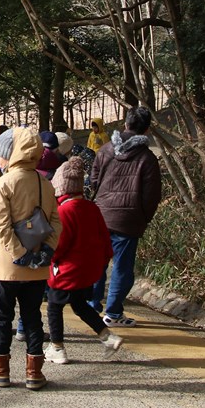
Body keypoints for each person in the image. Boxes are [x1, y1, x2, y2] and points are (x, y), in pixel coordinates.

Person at [0, 128, 61, 391]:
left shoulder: (4, 183)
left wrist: (19, 254)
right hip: (38, 266)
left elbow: (2, 227)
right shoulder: (45, 183)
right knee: (33, 317)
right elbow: (55, 221)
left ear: (11, 155)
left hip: (7, 268)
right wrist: (45, 250)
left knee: (2, 317)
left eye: (1, 155)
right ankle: (34, 373)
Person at [87, 107, 162, 327]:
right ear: (147, 130)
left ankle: (93, 304)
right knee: (122, 267)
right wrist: (143, 217)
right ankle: (113, 312)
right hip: (128, 220)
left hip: (100, 214)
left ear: (125, 124)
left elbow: (93, 180)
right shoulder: (147, 158)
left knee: (98, 263)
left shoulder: (106, 150)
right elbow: (152, 195)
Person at [43, 156, 122, 365]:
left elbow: (60, 245)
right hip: (89, 268)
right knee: (79, 305)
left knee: (54, 306)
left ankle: (57, 347)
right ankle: (108, 337)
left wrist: (49, 259)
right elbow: (105, 238)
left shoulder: (64, 211)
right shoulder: (91, 207)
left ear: (60, 187)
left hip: (68, 270)